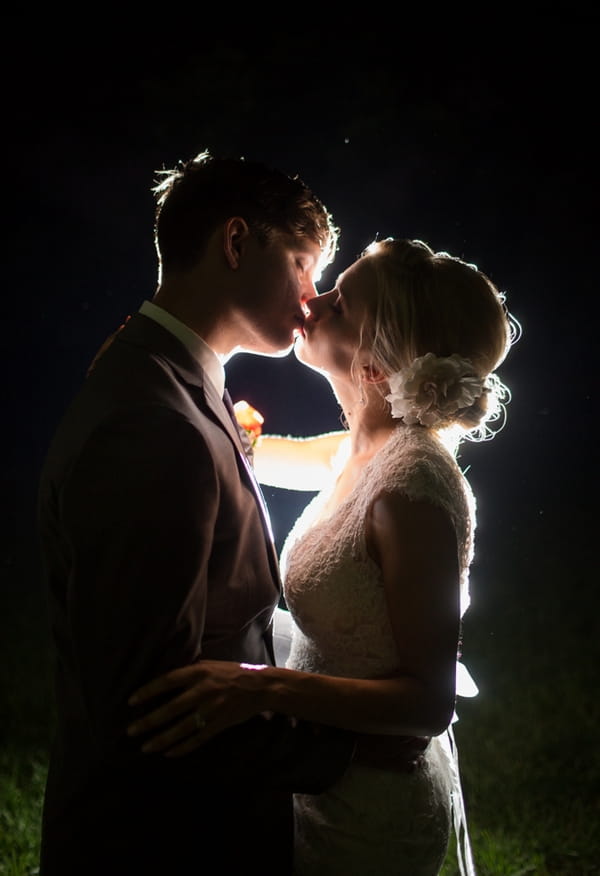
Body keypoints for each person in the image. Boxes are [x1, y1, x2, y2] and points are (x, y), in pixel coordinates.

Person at [127, 237, 517, 875]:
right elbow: (250, 449)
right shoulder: (358, 448)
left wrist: (257, 688)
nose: (316, 299)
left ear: (372, 364)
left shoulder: (413, 487)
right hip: (316, 772)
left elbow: (427, 702)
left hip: (371, 808)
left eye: (340, 304)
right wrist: (154, 368)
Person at [37, 149, 370, 875]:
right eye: (305, 263)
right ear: (237, 242)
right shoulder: (155, 424)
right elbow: (147, 706)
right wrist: (356, 744)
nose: (312, 297)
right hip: (166, 838)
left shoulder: (163, 372)